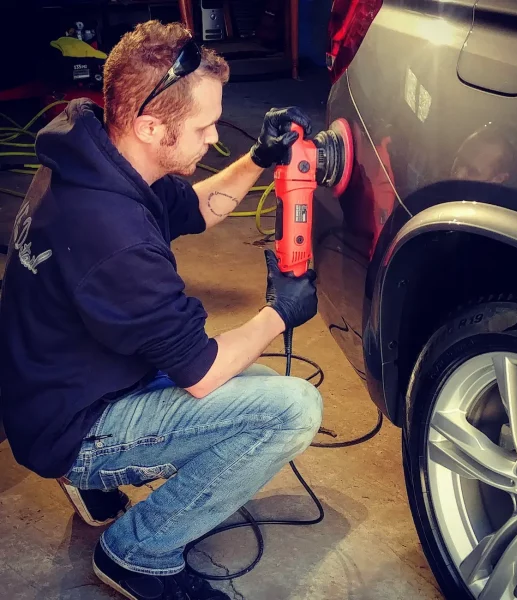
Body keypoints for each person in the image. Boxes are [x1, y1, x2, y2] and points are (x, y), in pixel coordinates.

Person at [0, 20, 323, 600]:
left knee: (250, 383)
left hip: (59, 386)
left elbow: (197, 208)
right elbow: (199, 374)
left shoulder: (99, 154)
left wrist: (259, 157)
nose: (213, 139)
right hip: (74, 426)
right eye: (204, 128)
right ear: (151, 125)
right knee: (289, 408)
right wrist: (279, 311)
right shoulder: (112, 235)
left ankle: (93, 488)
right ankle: (138, 552)